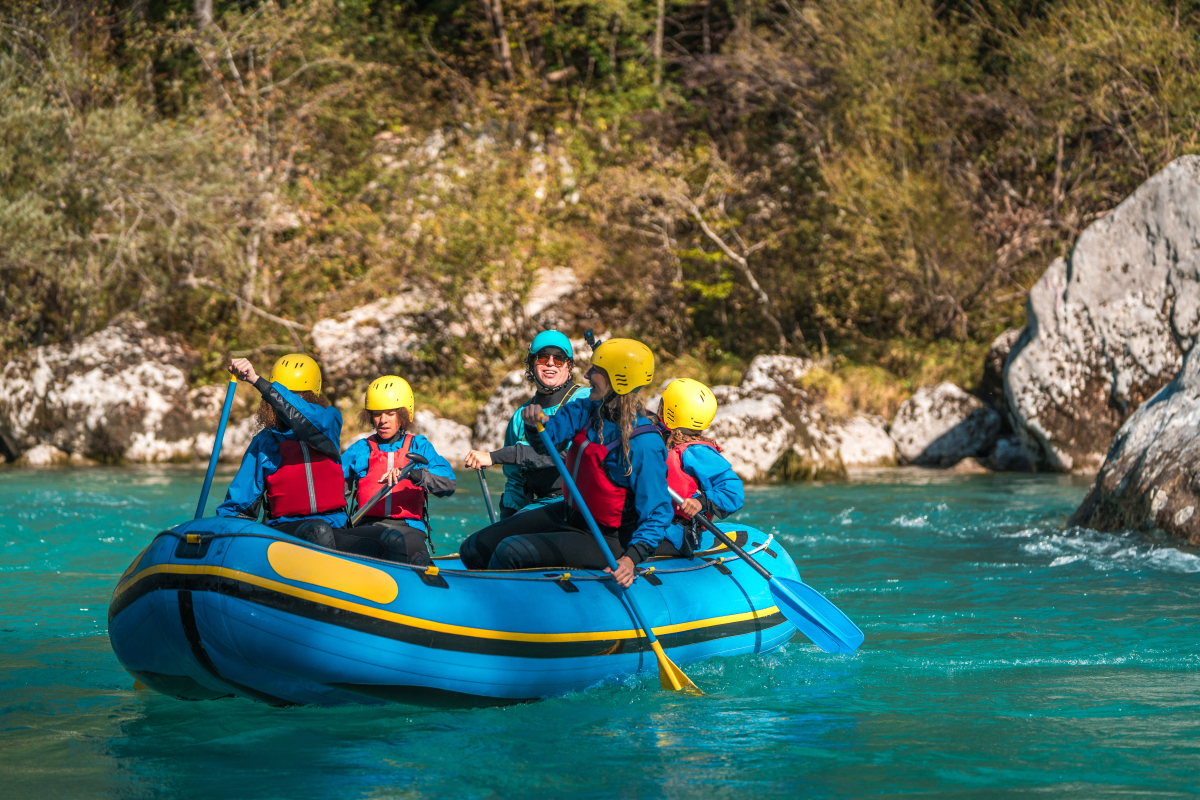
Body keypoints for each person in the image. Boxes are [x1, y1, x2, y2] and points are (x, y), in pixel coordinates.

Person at [458, 338, 672, 588]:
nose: (588, 374)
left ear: (618, 380)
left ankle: (501, 614)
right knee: (473, 548)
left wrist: (631, 559)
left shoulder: (644, 443)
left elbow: (658, 511)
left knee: (510, 552)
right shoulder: (587, 409)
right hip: (570, 514)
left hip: (608, 537)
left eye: (596, 371)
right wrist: (535, 425)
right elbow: (546, 443)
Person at [217, 354, 345, 546]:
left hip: (336, 527)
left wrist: (256, 380)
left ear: (311, 397)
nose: (285, 405)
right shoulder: (265, 442)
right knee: (319, 530)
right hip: (287, 532)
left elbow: (304, 416)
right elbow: (240, 506)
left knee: (390, 540)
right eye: (284, 395)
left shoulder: (329, 422)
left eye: (297, 396)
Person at [463, 330, 591, 517]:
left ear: (568, 366)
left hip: (576, 503)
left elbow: (566, 454)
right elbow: (515, 479)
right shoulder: (519, 417)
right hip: (537, 507)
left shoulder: (583, 400)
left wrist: (495, 456)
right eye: (542, 357)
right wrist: (509, 513)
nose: (550, 363)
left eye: (558, 359)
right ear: (532, 364)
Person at [338, 375, 456, 566]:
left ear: (403, 414)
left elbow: (449, 483)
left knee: (413, 555)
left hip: (408, 528)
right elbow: (334, 490)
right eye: (377, 414)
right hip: (368, 527)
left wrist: (413, 474)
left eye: (390, 413)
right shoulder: (360, 449)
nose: (382, 420)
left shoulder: (419, 446)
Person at [656, 378, 744, 557]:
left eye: (662, 404)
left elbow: (734, 492)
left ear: (669, 412)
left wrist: (700, 502)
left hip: (675, 535)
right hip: (654, 525)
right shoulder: (659, 439)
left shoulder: (696, 452)